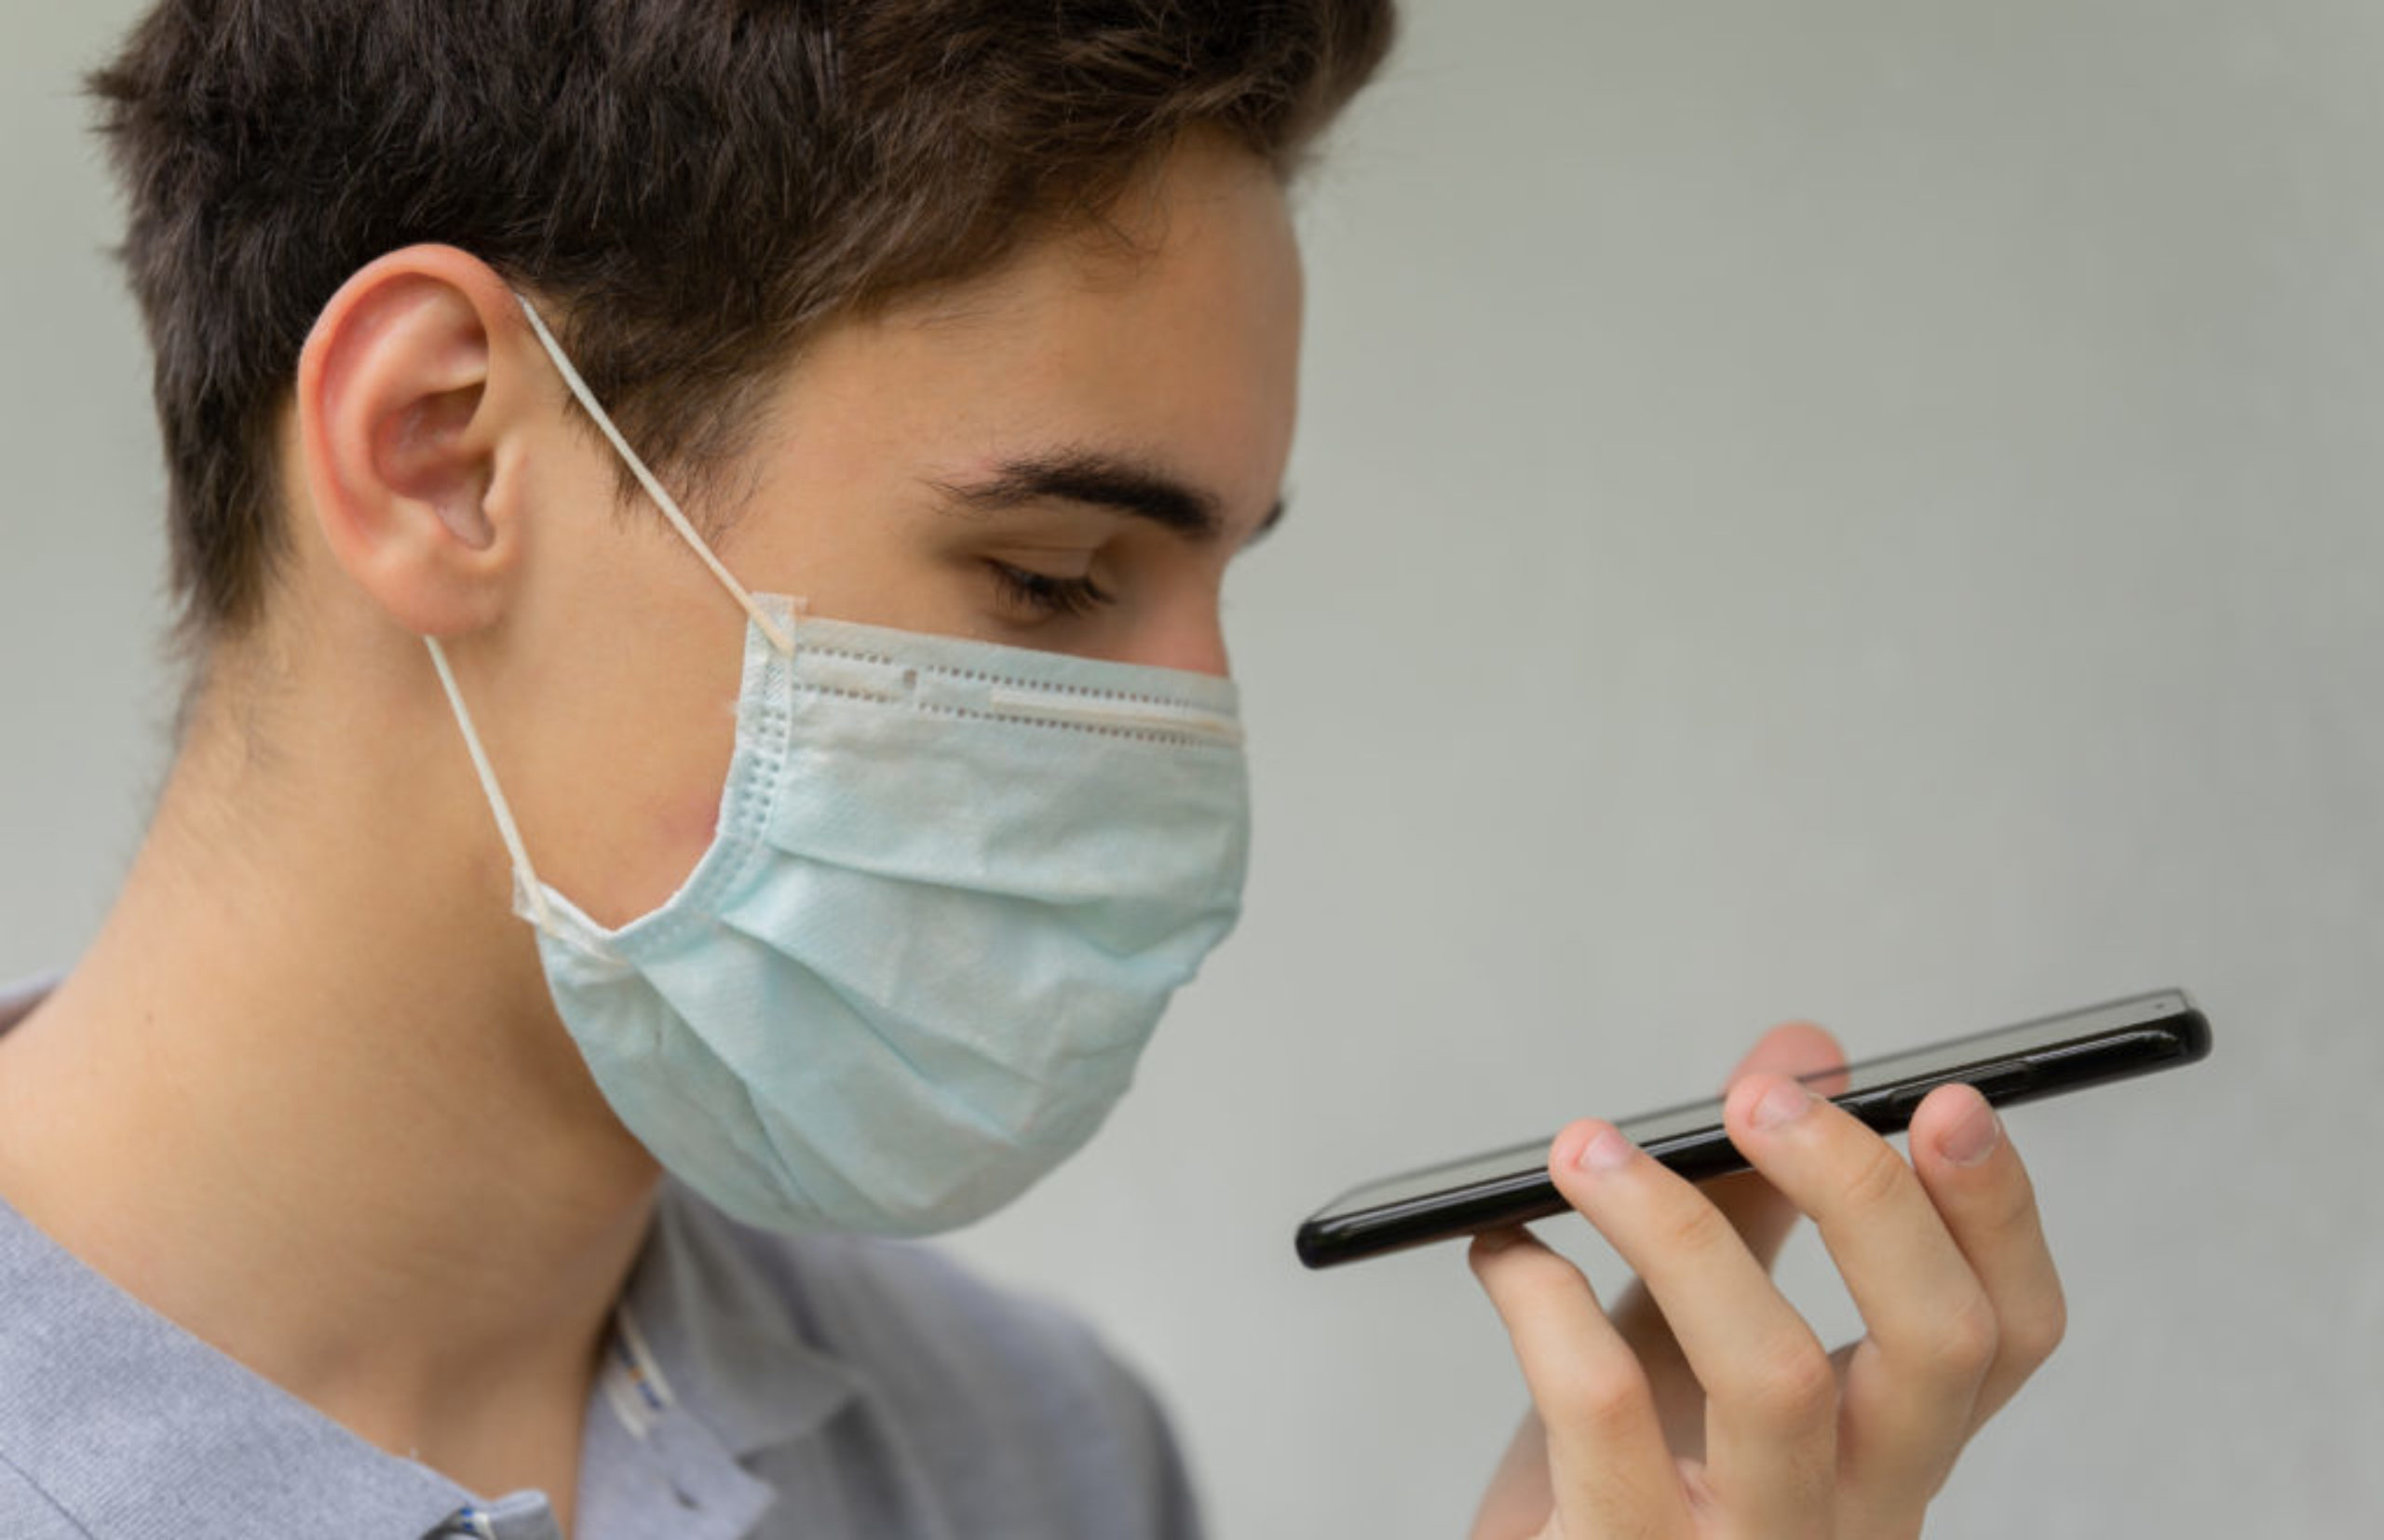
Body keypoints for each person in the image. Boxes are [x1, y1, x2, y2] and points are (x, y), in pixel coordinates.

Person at [0, 3, 2068, 1536]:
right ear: (439, 449)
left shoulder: (1035, 1459)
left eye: (1211, 587)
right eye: (1055, 575)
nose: (1200, 773)